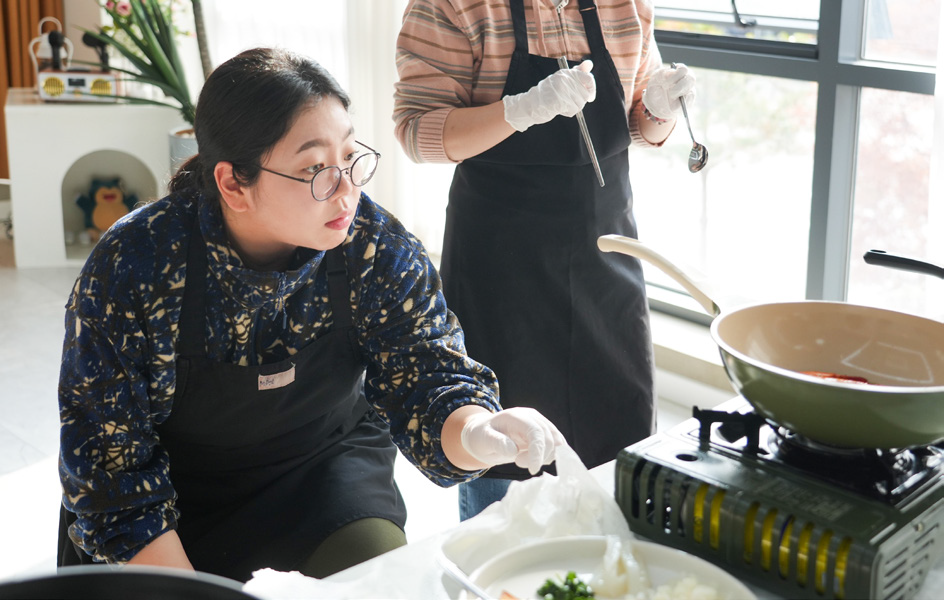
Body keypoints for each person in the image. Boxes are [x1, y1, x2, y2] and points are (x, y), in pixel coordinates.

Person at [57, 47, 563, 582]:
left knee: (380, 582)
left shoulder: (372, 243)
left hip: (324, 470)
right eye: (315, 168)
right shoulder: (136, 264)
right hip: (170, 501)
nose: (347, 190)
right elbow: (109, 472)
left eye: (349, 157)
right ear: (233, 184)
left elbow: (428, 377)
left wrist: (480, 428)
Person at [393, 0, 696, 520]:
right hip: (501, 266)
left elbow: (639, 125)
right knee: (508, 452)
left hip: (607, 254)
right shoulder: (451, 7)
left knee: (617, 441)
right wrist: (516, 111)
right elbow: (418, 132)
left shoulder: (627, 5)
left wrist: (660, 109)